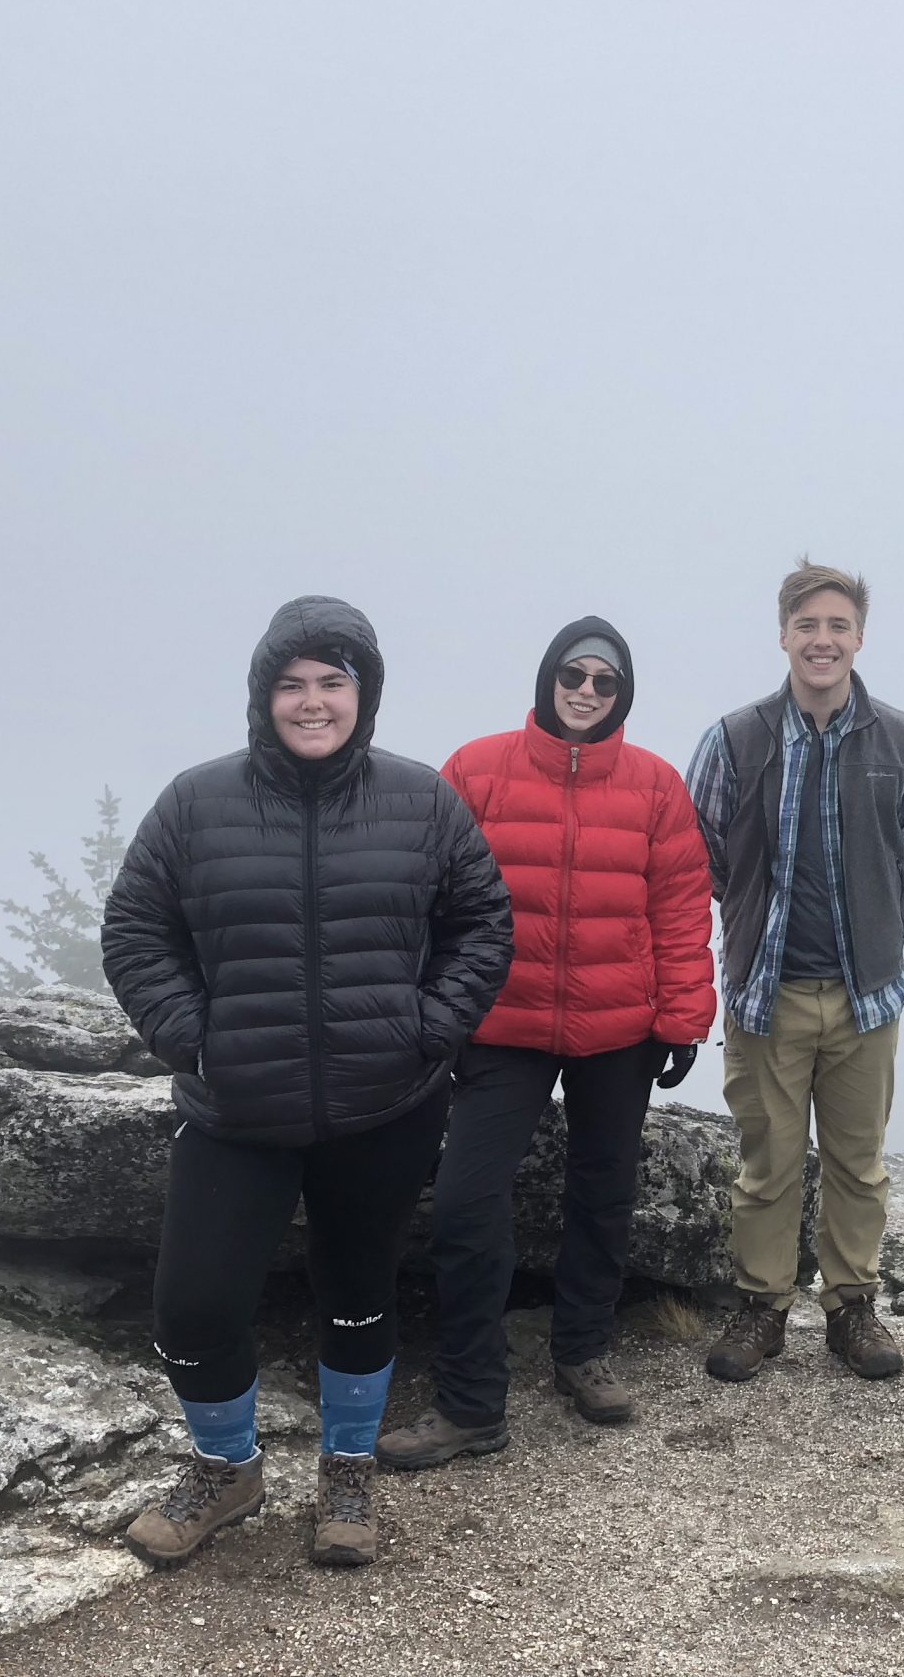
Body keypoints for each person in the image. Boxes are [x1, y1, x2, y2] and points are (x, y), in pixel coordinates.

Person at [101, 595, 514, 1571]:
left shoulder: (421, 802)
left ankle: (346, 1469)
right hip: (236, 1111)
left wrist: (428, 1028)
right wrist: (189, 1038)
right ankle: (225, 1468)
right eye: (292, 684)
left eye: (334, 682)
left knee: (359, 1296)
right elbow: (135, 932)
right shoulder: (196, 803)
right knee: (194, 1305)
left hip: (383, 1108)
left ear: (363, 694)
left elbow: (481, 924)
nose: (313, 701)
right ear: (262, 695)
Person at [378, 617, 715, 1468]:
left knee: (603, 1192)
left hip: (618, 1025)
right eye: (575, 673)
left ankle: (581, 1353)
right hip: (502, 1022)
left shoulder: (654, 785)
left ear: (623, 695)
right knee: (463, 1202)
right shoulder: (476, 768)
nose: (588, 691)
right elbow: (429, 895)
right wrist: (433, 1010)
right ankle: (470, 1402)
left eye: (607, 681)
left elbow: (680, 906)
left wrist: (682, 1018)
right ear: (546, 678)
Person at [684, 558, 904, 1384]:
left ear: (859, 638)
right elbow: (702, 847)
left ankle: (851, 1308)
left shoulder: (900, 739)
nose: (822, 640)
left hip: (866, 995)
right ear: (784, 635)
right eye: (808, 625)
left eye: (837, 626)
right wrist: (753, 924)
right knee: (767, 1164)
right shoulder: (736, 737)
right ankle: (763, 1307)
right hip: (766, 993)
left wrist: (872, 913)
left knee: (859, 1162)